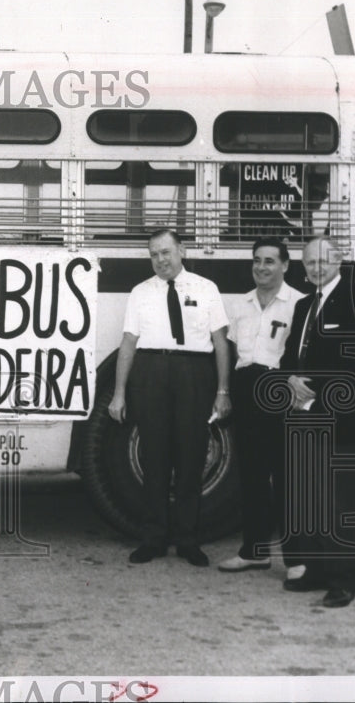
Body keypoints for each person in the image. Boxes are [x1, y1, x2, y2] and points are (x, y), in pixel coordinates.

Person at [108, 229, 231, 567]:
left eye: (165, 252)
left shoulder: (206, 289)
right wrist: (119, 393)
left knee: (191, 459)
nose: (160, 260)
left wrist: (222, 391)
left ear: (182, 250)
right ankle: (154, 538)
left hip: (194, 374)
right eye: (154, 255)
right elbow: (129, 343)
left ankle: (189, 540)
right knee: (155, 459)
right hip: (150, 373)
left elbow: (220, 342)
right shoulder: (140, 293)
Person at [278, 237, 355, 608]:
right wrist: (290, 379)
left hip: (340, 420)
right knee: (311, 502)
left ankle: (344, 579)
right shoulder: (305, 305)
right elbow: (291, 355)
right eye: (310, 263)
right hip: (303, 418)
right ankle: (317, 570)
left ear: (339, 261)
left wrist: (315, 391)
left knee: (339, 504)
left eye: (323, 261)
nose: (316, 268)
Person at [217, 238, 305, 576]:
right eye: (257, 260)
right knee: (251, 475)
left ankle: (295, 559)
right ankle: (254, 551)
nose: (261, 267)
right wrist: (225, 392)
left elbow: (301, 358)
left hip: (280, 388)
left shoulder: (298, 303)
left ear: (285, 265)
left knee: (285, 477)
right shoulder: (241, 304)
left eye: (270, 261)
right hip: (245, 388)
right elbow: (233, 352)